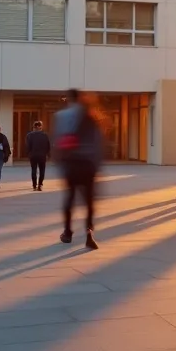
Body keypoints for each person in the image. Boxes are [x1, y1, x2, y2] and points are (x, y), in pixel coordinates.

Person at [55, 89, 103, 249]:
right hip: (88, 164)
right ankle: (89, 233)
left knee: (70, 198)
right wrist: (96, 166)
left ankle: (68, 232)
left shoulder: (62, 116)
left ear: (68, 99)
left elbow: (58, 142)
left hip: (71, 163)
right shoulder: (92, 116)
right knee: (89, 201)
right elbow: (98, 144)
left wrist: (61, 165)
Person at [26, 120, 52, 191]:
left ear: (34, 127)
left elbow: (28, 146)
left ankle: (34, 185)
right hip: (42, 156)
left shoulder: (29, 135)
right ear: (41, 127)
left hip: (33, 155)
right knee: (42, 170)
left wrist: (29, 154)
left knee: (34, 170)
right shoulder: (45, 135)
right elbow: (48, 146)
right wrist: (48, 154)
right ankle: (40, 185)